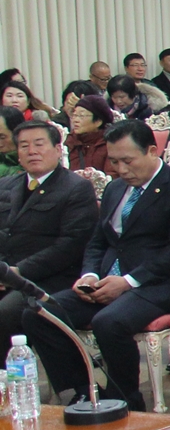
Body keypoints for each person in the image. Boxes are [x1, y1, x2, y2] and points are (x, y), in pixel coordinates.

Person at [25, 119, 170, 408]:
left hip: (158, 284)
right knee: (40, 313)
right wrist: (89, 274)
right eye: (114, 161)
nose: (121, 169)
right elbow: (98, 241)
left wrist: (128, 282)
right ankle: (82, 391)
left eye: (128, 161)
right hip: (107, 281)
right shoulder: (114, 189)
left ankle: (125, 400)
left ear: (151, 151)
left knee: (108, 322)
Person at [0, 121, 96, 343]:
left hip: (50, 277)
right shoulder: (5, 185)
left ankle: (13, 373)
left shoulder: (75, 188)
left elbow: (71, 245)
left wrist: (18, 272)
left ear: (56, 149)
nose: (31, 151)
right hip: (7, 274)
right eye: (24, 146)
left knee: (5, 312)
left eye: (39, 144)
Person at [65, 95, 114, 171]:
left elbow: (112, 175)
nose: (75, 120)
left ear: (98, 122)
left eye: (81, 116)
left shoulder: (110, 144)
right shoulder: (70, 141)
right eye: (74, 115)